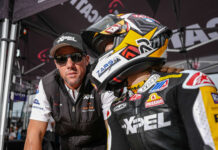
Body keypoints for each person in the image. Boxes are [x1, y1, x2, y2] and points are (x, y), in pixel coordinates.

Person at [81, 13, 218, 150]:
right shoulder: (117, 104)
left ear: (135, 39)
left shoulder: (188, 84)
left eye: (107, 46)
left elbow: (209, 144)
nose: (104, 54)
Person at [24, 32, 111, 150]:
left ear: (86, 60)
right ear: (56, 64)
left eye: (76, 57)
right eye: (61, 59)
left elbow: (114, 131)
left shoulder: (100, 79)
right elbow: (34, 135)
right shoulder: (47, 85)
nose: (69, 65)